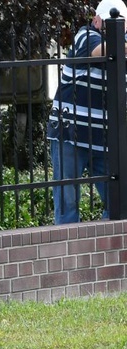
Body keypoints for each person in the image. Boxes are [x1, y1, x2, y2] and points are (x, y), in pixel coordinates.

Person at [47, 0, 127, 224]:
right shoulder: (85, 35)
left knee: (120, 200)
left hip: (104, 138)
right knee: (67, 202)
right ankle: (69, 247)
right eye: (110, 23)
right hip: (69, 133)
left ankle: (105, 242)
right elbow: (100, 50)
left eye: (121, 24)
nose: (116, 28)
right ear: (96, 20)